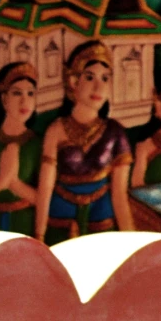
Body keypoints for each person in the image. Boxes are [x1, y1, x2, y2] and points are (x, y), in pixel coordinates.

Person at [37, 40, 131, 242]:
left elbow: (119, 196)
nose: (98, 86)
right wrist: (38, 236)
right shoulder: (56, 130)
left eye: (105, 78)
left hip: (101, 219)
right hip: (60, 219)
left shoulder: (116, 132)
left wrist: (132, 244)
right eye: (90, 77)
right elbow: (45, 188)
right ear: (73, 81)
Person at [0, 61, 41, 234]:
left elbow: (45, 198)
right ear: (4, 98)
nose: (24, 101)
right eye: (16, 93)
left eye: (30, 94)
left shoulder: (38, 145)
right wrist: (1, 181)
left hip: (24, 223)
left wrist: (13, 183)